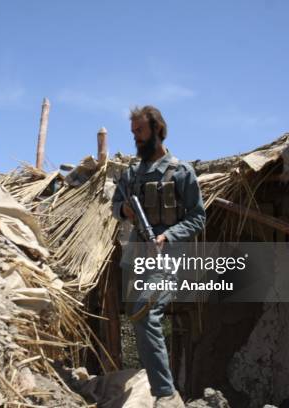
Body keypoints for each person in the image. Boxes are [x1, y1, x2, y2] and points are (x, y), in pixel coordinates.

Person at [111, 105, 206, 408]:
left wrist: (167, 236)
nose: (135, 137)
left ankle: (166, 395)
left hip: (166, 256)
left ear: (157, 130)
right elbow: (115, 206)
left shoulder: (181, 172)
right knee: (137, 319)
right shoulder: (129, 174)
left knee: (145, 313)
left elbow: (197, 218)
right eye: (133, 132)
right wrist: (124, 210)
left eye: (140, 130)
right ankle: (160, 391)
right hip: (138, 255)